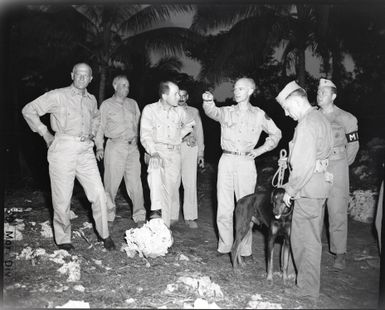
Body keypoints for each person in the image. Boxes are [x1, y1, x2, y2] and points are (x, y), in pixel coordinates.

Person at [21, 62, 115, 251]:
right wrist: (45, 133)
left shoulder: (91, 99)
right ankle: (64, 239)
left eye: (85, 75)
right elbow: (28, 110)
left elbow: (96, 117)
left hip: (86, 150)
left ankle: (105, 234)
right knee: (62, 197)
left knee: (98, 192)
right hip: (63, 148)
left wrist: (94, 136)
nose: (81, 78)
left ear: (91, 78)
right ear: (72, 75)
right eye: (78, 74)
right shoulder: (58, 95)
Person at [202, 77, 282, 258]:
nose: (236, 92)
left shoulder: (259, 114)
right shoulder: (227, 111)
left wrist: (260, 150)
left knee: (246, 207)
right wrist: (208, 101)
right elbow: (212, 112)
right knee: (224, 205)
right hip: (227, 160)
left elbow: (276, 133)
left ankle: (245, 250)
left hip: (246, 163)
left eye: (241, 89)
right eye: (235, 89)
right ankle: (225, 246)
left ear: (250, 91)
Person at [276, 80, 334, 301]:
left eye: (287, 108)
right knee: (311, 239)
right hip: (318, 187)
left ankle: (307, 290)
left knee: (304, 241)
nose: (287, 114)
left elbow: (303, 164)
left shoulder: (307, 123)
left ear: (296, 101)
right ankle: (307, 286)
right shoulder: (320, 118)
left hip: (307, 189)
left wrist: (290, 190)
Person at [317, 78, 360, 270]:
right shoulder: (312, 116)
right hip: (316, 165)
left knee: (337, 209)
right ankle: (312, 247)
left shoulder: (346, 118)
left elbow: (353, 145)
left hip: (337, 165)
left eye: (323, 92)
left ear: (333, 96)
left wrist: (342, 164)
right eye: (318, 92)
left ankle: (340, 252)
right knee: (315, 206)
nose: (319, 95)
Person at [140, 81, 195, 228]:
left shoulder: (180, 111)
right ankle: (155, 212)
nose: (179, 97)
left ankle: (163, 230)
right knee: (155, 176)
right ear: (165, 95)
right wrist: (154, 153)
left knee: (170, 191)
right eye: (175, 94)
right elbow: (145, 135)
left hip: (174, 153)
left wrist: (179, 135)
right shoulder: (150, 110)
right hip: (156, 151)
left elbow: (190, 123)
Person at [95, 75, 146, 229]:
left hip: (132, 147)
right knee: (111, 183)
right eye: (123, 85)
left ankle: (139, 215)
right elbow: (100, 127)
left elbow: (140, 124)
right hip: (115, 146)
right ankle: (109, 215)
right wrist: (99, 147)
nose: (126, 88)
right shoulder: (106, 105)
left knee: (135, 183)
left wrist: (140, 142)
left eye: (128, 85)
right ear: (115, 86)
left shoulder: (133, 103)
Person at [170, 88, 205, 229]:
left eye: (184, 96)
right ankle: (172, 215)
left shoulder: (194, 111)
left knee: (190, 182)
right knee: (173, 182)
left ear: (187, 97)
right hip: (174, 148)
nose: (181, 98)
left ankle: (190, 217)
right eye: (179, 95)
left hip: (190, 148)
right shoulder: (169, 110)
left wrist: (200, 153)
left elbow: (200, 132)